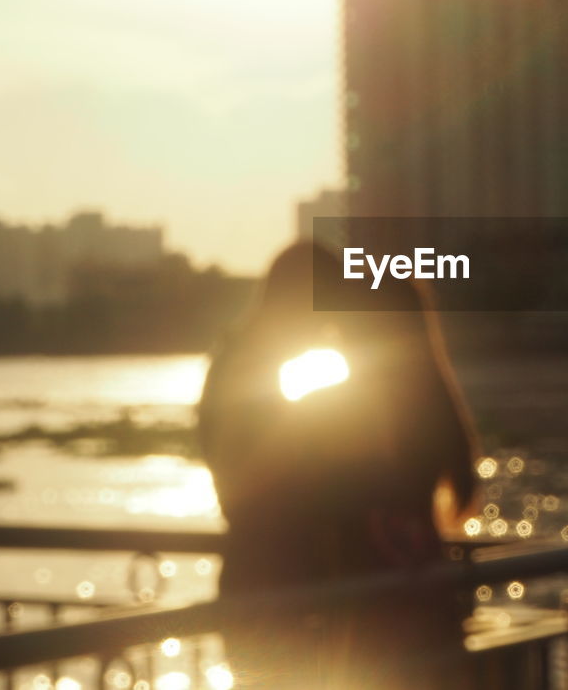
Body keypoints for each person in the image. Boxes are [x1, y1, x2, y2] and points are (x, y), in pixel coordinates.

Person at [197, 241, 481, 688]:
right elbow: (252, 486)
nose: (330, 326)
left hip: (327, 601)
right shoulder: (256, 377)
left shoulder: (255, 371)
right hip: (315, 599)